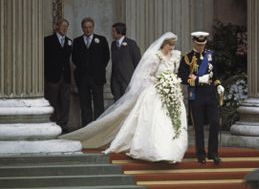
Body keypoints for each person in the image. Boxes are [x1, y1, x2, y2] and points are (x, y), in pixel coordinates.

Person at [60, 32, 188, 163]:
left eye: (173, 45)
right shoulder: (154, 57)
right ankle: (157, 150)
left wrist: (172, 83)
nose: (171, 47)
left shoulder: (175, 56)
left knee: (172, 121)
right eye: (169, 45)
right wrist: (160, 83)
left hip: (171, 92)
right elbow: (145, 76)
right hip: (155, 91)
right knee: (157, 121)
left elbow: (175, 73)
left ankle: (171, 150)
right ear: (163, 44)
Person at [178, 31, 224, 165]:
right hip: (196, 94)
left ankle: (213, 153)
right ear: (194, 43)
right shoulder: (187, 58)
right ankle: (200, 154)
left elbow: (216, 74)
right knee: (198, 126)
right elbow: (183, 77)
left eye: (203, 44)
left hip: (210, 94)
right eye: (198, 44)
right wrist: (198, 80)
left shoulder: (211, 56)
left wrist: (219, 84)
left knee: (215, 122)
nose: (200, 47)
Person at [72, 17, 110, 127]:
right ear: (82, 28)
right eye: (85, 27)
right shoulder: (77, 41)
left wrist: (98, 69)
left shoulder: (101, 40)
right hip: (82, 77)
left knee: (99, 103)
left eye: (90, 27)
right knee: (85, 104)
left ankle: (99, 127)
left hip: (97, 77)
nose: (88, 30)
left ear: (93, 27)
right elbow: (74, 58)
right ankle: (87, 128)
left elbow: (106, 57)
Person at [44, 18, 72, 133]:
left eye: (66, 26)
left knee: (65, 101)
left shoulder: (69, 41)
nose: (64, 28)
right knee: (52, 101)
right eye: (62, 26)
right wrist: (47, 73)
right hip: (53, 76)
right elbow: (44, 59)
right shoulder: (48, 40)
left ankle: (63, 124)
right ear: (57, 27)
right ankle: (52, 123)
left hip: (65, 76)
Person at [111, 23, 141, 101]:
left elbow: (137, 62)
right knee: (117, 102)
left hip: (127, 79)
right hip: (116, 80)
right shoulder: (113, 44)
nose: (112, 33)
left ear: (119, 32)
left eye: (114, 31)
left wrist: (135, 80)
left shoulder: (131, 44)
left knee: (126, 102)